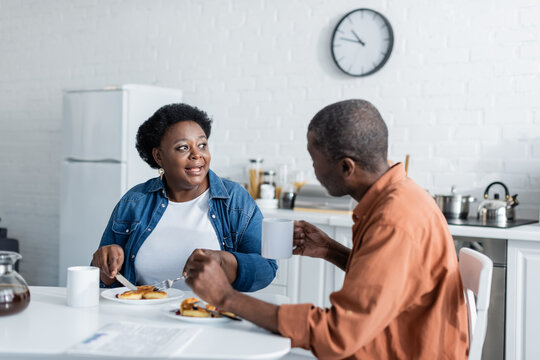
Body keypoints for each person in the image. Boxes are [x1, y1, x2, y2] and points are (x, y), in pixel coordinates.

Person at [184, 99, 469, 359]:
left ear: (347, 167)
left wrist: (225, 297)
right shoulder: (402, 194)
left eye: (314, 160)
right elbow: (395, 285)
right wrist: (330, 250)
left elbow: (337, 335)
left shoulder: (393, 220)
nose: (314, 170)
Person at [92, 103, 277, 292]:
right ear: (158, 156)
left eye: (202, 145)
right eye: (183, 148)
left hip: (209, 316)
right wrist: (105, 266)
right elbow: (105, 280)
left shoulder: (235, 199)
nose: (197, 155)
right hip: (143, 315)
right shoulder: (134, 201)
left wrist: (224, 261)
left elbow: (267, 269)